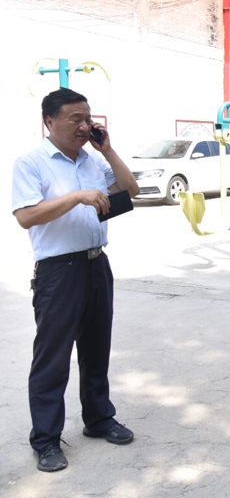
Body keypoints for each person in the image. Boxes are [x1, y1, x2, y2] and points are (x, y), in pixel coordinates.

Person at [11, 88, 140, 472]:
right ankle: (46, 440)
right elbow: (26, 216)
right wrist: (77, 197)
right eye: (75, 119)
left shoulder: (92, 159)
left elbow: (130, 189)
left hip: (96, 264)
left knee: (96, 349)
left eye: (88, 119)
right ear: (49, 121)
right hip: (58, 272)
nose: (85, 126)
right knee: (52, 359)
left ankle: (98, 419)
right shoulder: (31, 162)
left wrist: (108, 151)